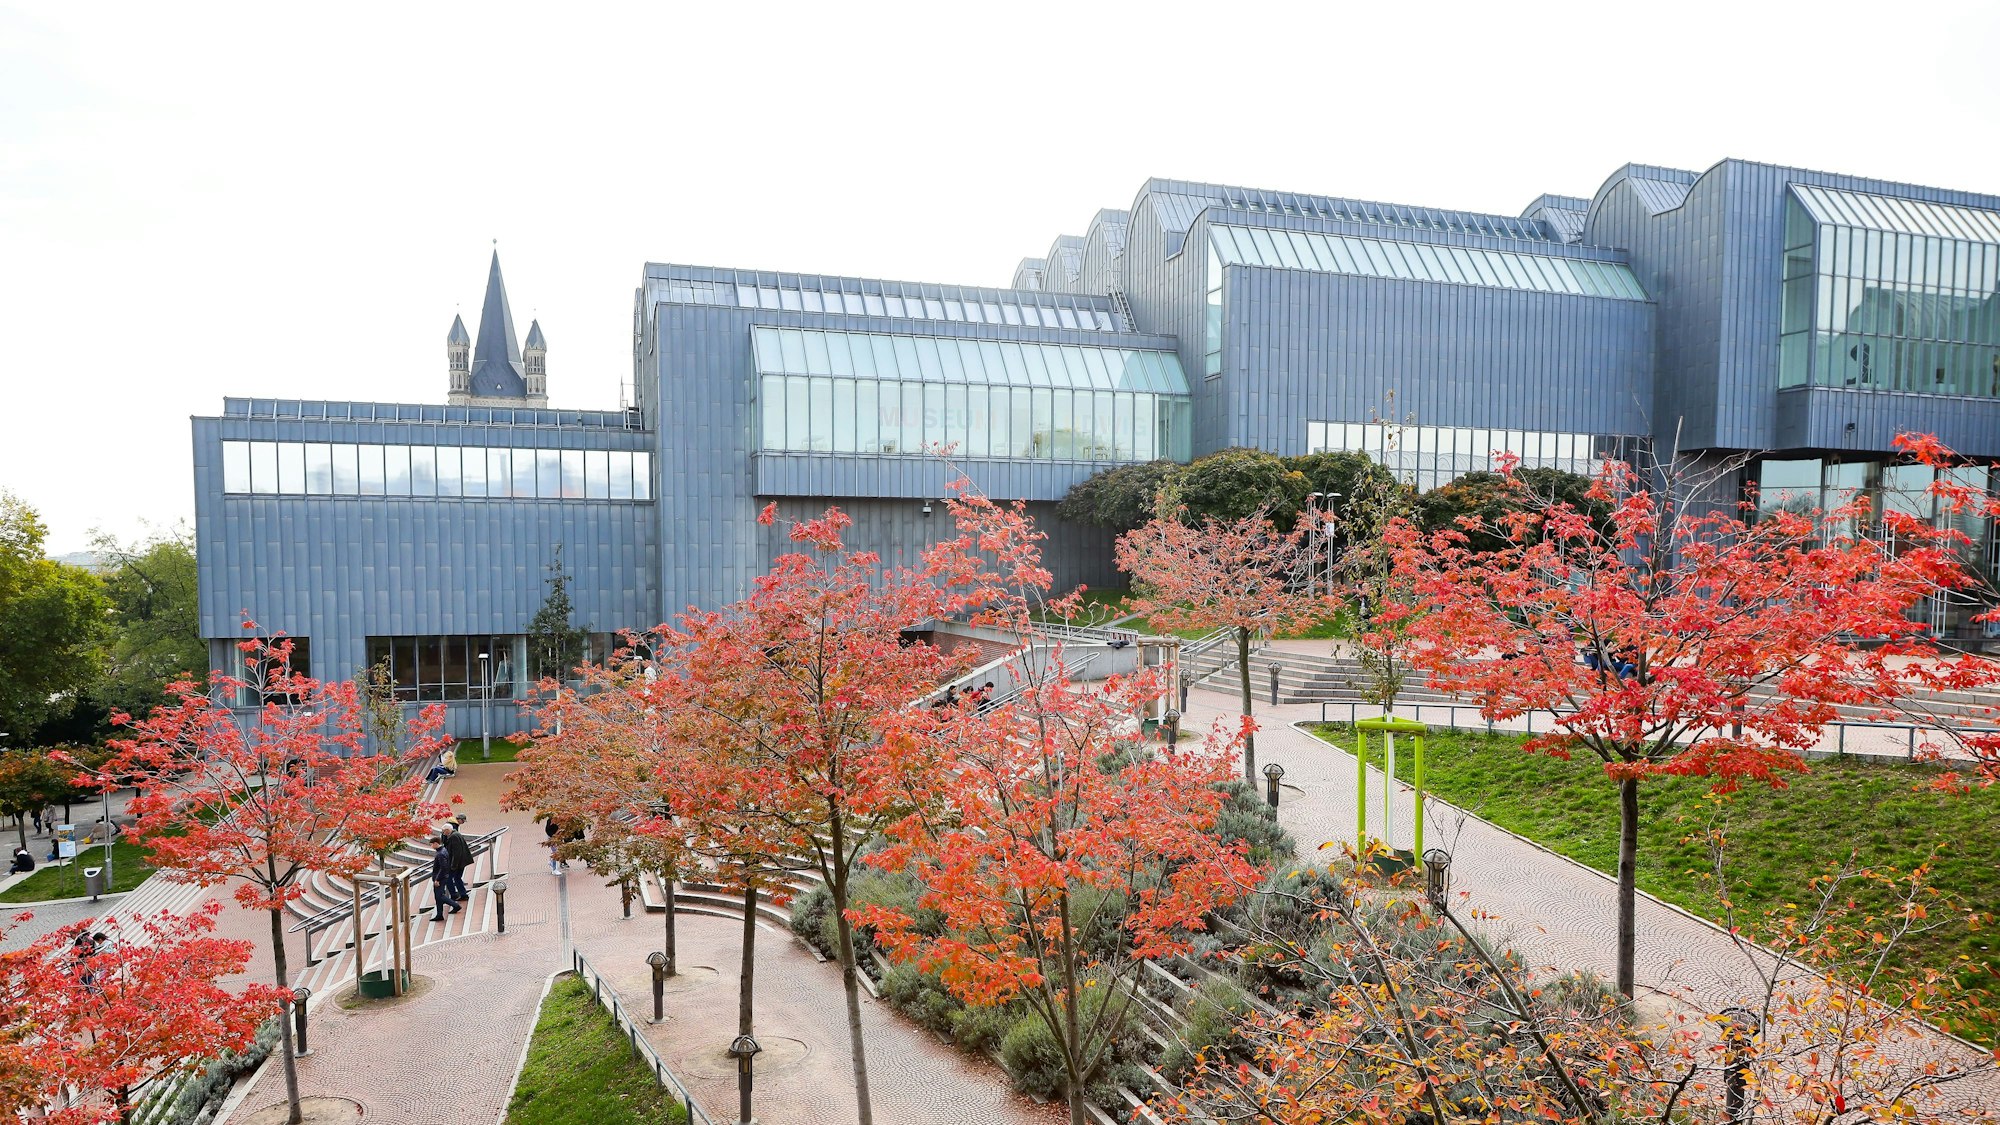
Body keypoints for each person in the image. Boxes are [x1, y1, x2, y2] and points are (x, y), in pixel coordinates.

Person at [441, 822, 474, 903]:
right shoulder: (456, 834)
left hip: (458, 862)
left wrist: (453, 865)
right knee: (457, 878)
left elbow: (456, 852)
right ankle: (463, 894)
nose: (443, 833)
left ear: (448, 830)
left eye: (444, 832)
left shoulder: (453, 837)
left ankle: (455, 894)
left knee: (449, 878)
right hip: (461, 861)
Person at [429, 837, 460, 921]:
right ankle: (439, 914)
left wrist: (437, 879)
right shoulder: (443, 850)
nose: (431, 846)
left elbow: (443, 867)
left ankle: (455, 905)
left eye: (431, 844)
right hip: (442, 876)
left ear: (436, 843)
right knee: (438, 896)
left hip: (440, 878)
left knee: (439, 896)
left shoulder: (440, 854)